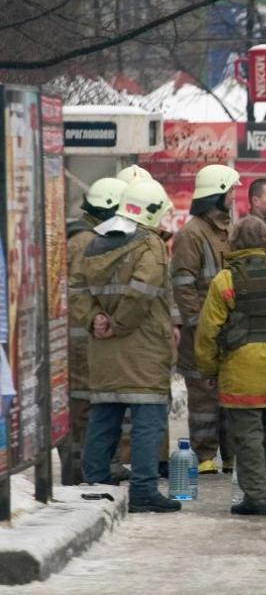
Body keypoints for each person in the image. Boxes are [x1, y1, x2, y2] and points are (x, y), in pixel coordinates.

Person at [69, 179, 180, 513]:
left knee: (103, 417)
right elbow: (144, 289)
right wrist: (118, 325)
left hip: (103, 352)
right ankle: (144, 489)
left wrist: (94, 320)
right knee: (148, 421)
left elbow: (75, 288)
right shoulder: (150, 245)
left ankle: (96, 484)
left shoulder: (95, 241)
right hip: (143, 349)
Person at [194, 216, 266, 515]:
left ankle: (256, 497)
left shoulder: (224, 280)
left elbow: (208, 332)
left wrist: (209, 370)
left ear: (234, 241)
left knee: (248, 438)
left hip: (240, 375)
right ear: (265, 241)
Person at [171, 164, 240, 474]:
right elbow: (184, 285)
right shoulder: (192, 234)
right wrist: (200, 326)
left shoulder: (225, 230)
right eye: (231, 191)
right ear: (219, 194)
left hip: (225, 330)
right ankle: (203, 457)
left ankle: (231, 455)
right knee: (202, 397)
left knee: (227, 393)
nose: (235, 197)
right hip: (201, 333)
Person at [62, 177, 129, 484]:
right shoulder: (87, 243)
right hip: (83, 340)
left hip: (78, 336)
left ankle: (84, 470)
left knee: (84, 406)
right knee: (89, 407)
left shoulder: (79, 238)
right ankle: (85, 473)